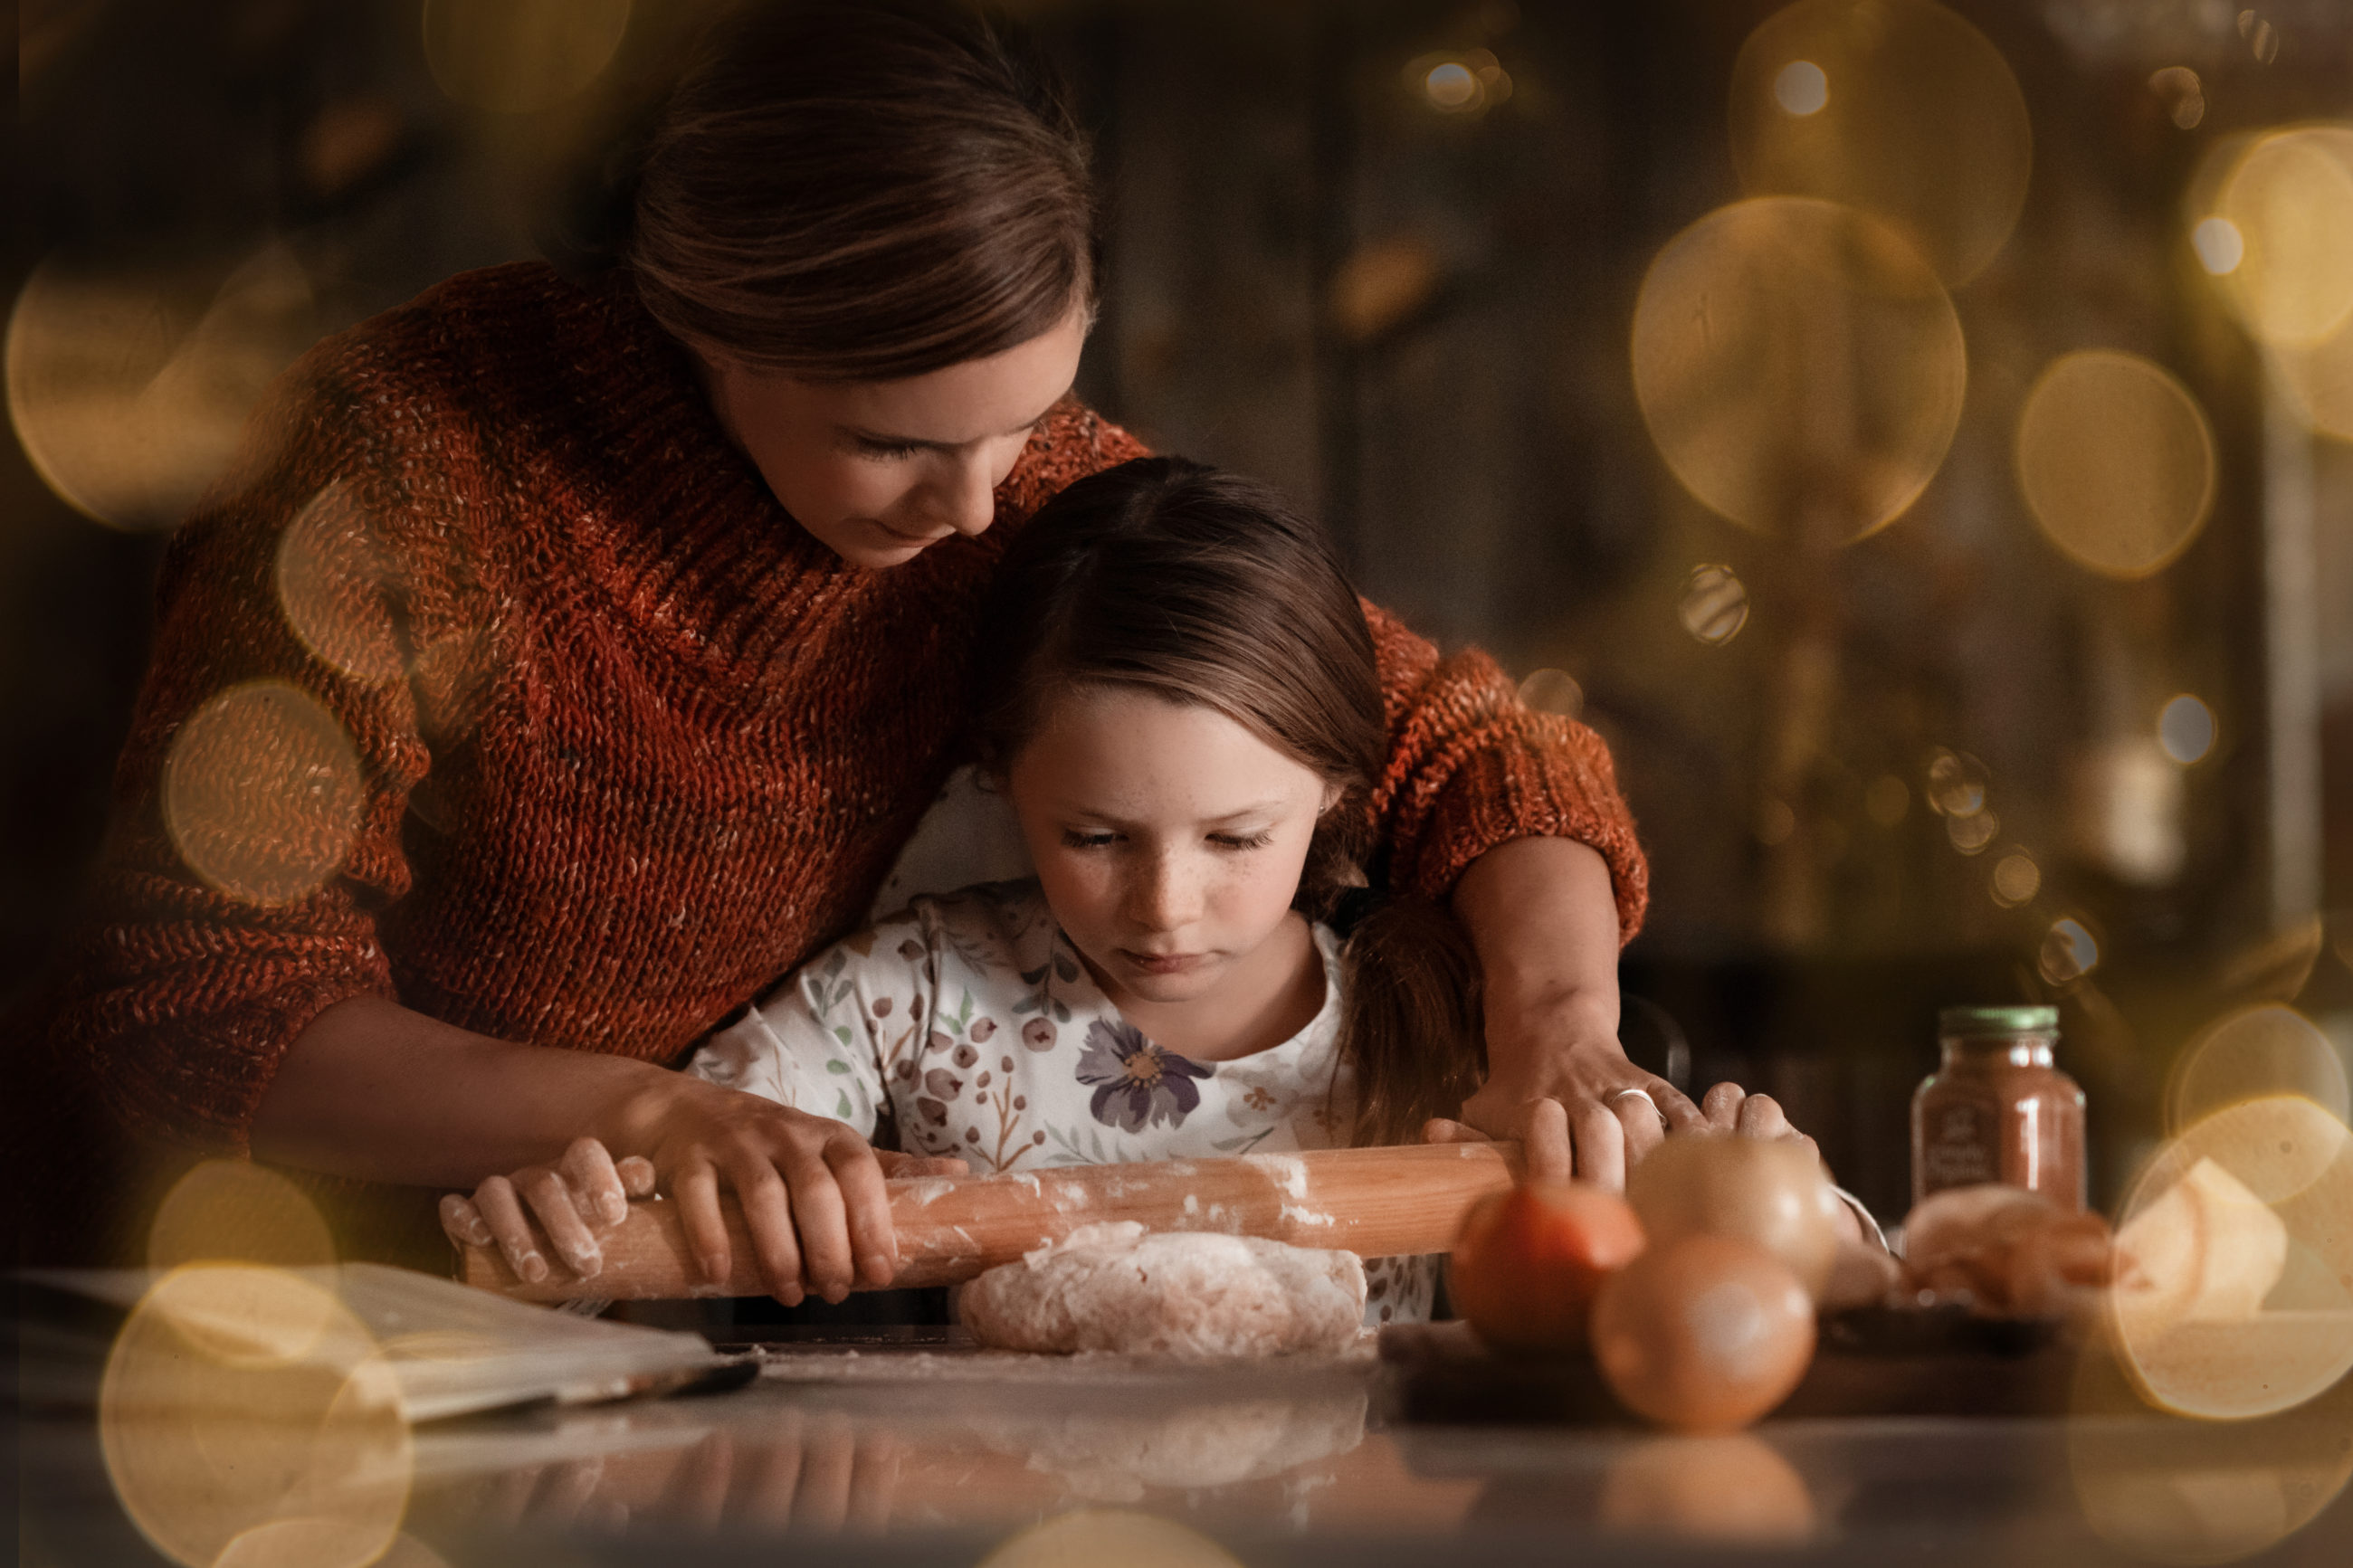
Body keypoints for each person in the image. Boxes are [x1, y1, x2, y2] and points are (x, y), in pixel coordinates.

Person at [25, 1, 1674, 1282]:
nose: (977, 514)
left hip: (652, 1277)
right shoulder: (397, 466)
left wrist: (1561, 1040)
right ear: (706, 324)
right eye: (891, 445)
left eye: (1021, 423)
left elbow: (1480, 742)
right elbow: (193, 999)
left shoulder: (1010, 488)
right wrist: (651, 1105)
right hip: (255, 1281)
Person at [443, 458, 1860, 1313]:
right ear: (1005, 778)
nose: (1166, 906)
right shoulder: (909, 1002)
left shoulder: (1442, 1028)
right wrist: (574, 1220)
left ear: (1340, 791)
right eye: (1099, 837)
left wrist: (1763, 1202)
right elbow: (678, 1196)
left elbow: (1836, 1279)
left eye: (1235, 839)